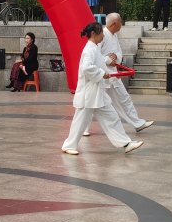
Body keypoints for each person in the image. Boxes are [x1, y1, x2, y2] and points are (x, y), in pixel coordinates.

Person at [61, 22, 144, 155]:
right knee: (80, 122)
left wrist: (113, 76)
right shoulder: (89, 49)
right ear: (93, 34)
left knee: (112, 118)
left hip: (97, 93)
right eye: (101, 33)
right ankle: (69, 145)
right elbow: (86, 68)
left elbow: (103, 68)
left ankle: (126, 143)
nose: (103, 37)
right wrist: (102, 74)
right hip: (88, 94)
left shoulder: (94, 49)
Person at [81, 13, 154, 136]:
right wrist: (107, 60)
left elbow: (118, 52)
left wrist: (116, 58)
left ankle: (137, 123)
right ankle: (84, 128)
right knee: (93, 102)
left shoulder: (114, 36)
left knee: (123, 98)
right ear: (114, 23)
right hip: (101, 75)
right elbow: (95, 55)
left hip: (112, 74)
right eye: (120, 21)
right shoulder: (100, 34)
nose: (121, 24)